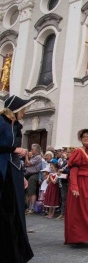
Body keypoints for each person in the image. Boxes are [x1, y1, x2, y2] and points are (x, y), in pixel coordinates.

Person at [0, 95, 35, 262]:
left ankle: (15, 252)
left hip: (13, 173)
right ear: (15, 109)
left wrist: (21, 175)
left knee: (15, 213)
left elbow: (15, 156)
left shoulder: (15, 126)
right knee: (7, 212)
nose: (25, 112)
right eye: (23, 109)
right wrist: (15, 149)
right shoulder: (1, 122)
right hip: (3, 173)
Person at [64, 129, 88, 244]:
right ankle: (79, 236)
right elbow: (74, 171)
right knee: (82, 210)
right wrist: (74, 187)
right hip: (81, 183)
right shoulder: (79, 152)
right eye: (84, 136)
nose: (86, 138)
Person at [25, 143, 43, 214]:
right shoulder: (34, 156)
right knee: (29, 191)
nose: (31, 150)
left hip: (34, 175)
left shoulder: (38, 157)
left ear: (36, 150)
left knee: (32, 191)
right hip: (29, 175)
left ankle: (32, 208)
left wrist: (26, 155)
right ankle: (29, 206)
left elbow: (28, 163)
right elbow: (27, 164)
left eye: (32, 149)